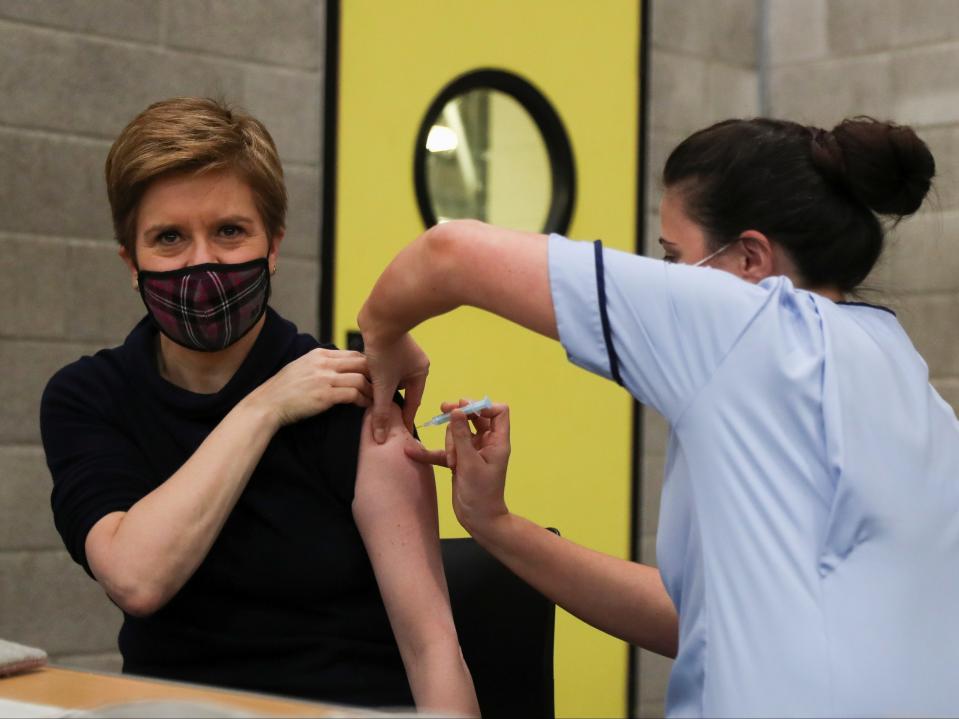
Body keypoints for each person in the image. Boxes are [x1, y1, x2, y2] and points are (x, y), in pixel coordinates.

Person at [357, 116, 959, 716]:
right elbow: (697, 623)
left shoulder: (746, 326)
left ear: (750, 258)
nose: (666, 277)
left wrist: (382, 337)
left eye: (673, 257)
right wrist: (494, 523)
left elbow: (449, 254)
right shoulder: (906, 384)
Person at [39, 97, 477, 715]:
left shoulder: (355, 398)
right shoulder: (88, 396)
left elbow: (432, 649)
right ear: (131, 264)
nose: (202, 263)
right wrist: (261, 407)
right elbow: (136, 577)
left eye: (229, 231)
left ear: (273, 246)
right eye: (168, 238)